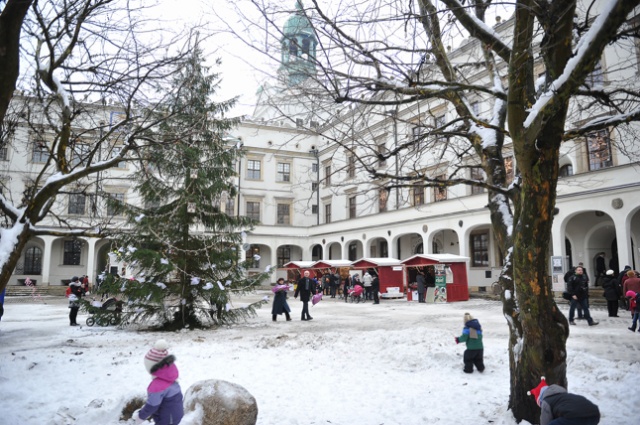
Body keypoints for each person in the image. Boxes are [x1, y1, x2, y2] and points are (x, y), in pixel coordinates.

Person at [134, 340, 184, 425]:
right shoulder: (171, 377)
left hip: (166, 419)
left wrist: (140, 416)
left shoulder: (157, 386)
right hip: (175, 415)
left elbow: (152, 405)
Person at [528, 377, 600, 425]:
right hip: (594, 414)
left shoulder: (546, 401)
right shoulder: (564, 396)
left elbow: (545, 421)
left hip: (576, 417)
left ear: (540, 399)